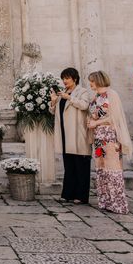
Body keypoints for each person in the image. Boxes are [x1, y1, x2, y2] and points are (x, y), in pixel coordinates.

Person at [87, 71, 132, 215]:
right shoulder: (96, 97)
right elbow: (93, 114)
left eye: (92, 81)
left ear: (99, 80)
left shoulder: (112, 95)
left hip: (110, 136)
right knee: (102, 169)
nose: (90, 83)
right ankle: (106, 201)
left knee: (113, 169)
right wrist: (90, 122)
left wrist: (96, 122)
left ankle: (118, 203)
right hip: (98, 137)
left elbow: (114, 117)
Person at [49, 67, 91, 205]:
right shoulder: (63, 93)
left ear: (75, 79)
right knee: (69, 165)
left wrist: (70, 98)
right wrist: (54, 100)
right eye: (63, 78)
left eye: (67, 78)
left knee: (80, 166)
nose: (65, 81)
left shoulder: (82, 91)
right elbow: (53, 112)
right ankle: (67, 194)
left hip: (77, 133)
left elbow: (85, 105)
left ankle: (81, 196)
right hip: (65, 133)